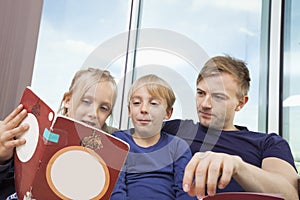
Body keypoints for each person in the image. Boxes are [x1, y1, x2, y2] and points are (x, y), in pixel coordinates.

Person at [162, 55, 299, 200]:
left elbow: (291, 194)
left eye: (218, 97)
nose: (205, 104)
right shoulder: (174, 129)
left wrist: (238, 166)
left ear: (241, 103)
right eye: (201, 93)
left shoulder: (267, 143)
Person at [0, 68, 118, 200]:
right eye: (86, 101)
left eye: (103, 108)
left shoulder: (105, 154)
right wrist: (2, 159)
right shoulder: (25, 132)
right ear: (67, 100)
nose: (93, 113)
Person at [110, 74, 196, 200]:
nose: (143, 109)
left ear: (168, 113)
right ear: (129, 110)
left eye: (154, 103)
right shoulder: (118, 141)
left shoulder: (178, 147)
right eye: (137, 103)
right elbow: (115, 189)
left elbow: (186, 191)